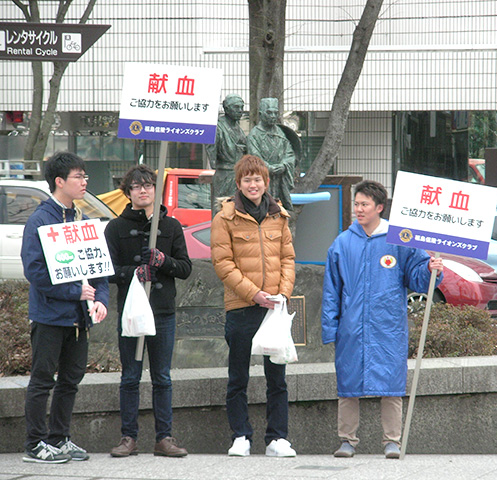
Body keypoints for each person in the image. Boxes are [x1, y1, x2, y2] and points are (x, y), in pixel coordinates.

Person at [321, 180, 444, 459]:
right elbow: (331, 291)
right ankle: (347, 441)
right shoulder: (342, 243)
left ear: (379, 207)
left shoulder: (400, 239)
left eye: (364, 204)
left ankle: (392, 441)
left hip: (387, 325)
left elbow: (417, 276)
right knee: (348, 385)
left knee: (391, 384)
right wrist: (331, 328)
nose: (358, 209)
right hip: (351, 327)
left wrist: (430, 268)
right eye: (356, 204)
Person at [21, 152, 109, 463]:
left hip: (78, 318)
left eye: (85, 176)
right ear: (59, 182)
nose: (85, 181)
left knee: (71, 380)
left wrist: (100, 300)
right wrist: (75, 291)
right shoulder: (40, 220)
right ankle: (35, 444)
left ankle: (59, 438)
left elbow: (98, 270)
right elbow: (35, 272)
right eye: (78, 177)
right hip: (49, 316)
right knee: (43, 380)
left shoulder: (82, 220)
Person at [104, 164, 192, 458]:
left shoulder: (171, 226)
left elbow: (185, 268)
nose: (143, 190)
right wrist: (135, 272)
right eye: (137, 186)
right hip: (131, 312)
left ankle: (164, 437)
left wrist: (163, 261)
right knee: (130, 376)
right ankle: (128, 437)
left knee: (162, 377)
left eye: (148, 185)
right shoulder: (115, 227)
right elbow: (108, 271)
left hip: (162, 311)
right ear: (127, 192)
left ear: (156, 189)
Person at [211, 154, 296, 457]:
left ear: (266, 182)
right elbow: (223, 263)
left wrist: (282, 294)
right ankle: (240, 436)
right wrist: (254, 294)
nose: (253, 184)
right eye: (247, 179)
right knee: (238, 376)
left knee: (277, 378)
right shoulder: (225, 217)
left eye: (257, 179)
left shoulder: (279, 216)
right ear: (239, 183)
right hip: (241, 306)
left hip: (274, 307)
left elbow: (287, 258)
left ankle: (277, 438)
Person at [247, 98, 296, 211]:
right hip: (262, 179)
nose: (273, 116)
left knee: (279, 208)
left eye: (275, 113)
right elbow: (254, 156)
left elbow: (289, 153)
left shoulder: (280, 133)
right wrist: (268, 168)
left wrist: (284, 165)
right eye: (269, 113)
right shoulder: (254, 135)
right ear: (260, 114)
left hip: (279, 179)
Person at [206, 94, 247, 199]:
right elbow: (212, 151)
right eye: (236, 107)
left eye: (242, 107)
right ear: (226, 109)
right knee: (223, 207)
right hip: (224, 174)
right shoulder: (218, 127)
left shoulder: (238, 128)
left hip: (240, 175)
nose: (240, 110)